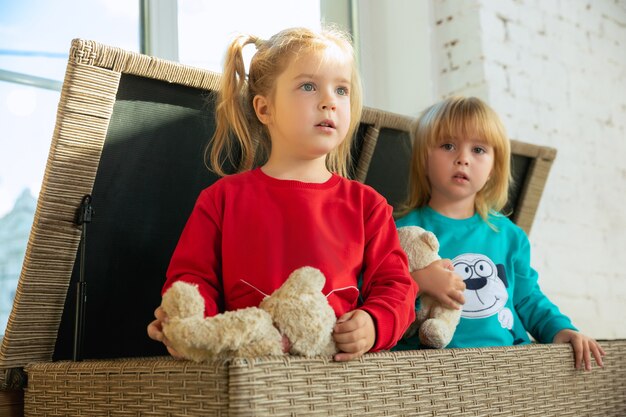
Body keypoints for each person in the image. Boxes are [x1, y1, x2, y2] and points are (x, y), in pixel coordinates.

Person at [147, 27, 418, 361]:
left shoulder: (368, 205)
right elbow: (192, 278)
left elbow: (397, 286)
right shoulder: (221, 199)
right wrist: (185, 319)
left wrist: (374, 324)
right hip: (249, 368)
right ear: (265, 109)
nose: (329, 101)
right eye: (308, 86)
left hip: (337, 377)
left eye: (341, 90)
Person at [393, 96, 605, 371]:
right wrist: (418, 281)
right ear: (423, 158)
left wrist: (561, 330)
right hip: (431, 368)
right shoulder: (402, 232)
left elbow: (529, 299)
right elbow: (374, 295)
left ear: (494, 168)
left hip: (507, 366)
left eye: (478, 150)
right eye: (448, 146)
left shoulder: (509, 236)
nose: (463, 159)